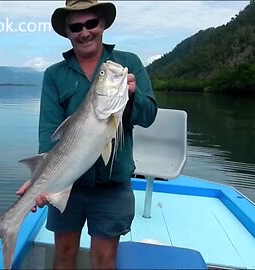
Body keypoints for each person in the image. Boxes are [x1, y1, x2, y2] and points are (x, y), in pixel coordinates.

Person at [16, 0, 158, 268]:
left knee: (105, 258)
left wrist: (131, 95)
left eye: (91, 23)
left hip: (112, 184)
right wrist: (40, 179)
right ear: (67, 32)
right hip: (66, 182)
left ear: (102, 24)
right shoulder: (54, 75)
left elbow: (148, 116)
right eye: (76, 27)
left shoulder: (127, 64)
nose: (84, 32)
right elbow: (48, 132)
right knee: (65, 252)